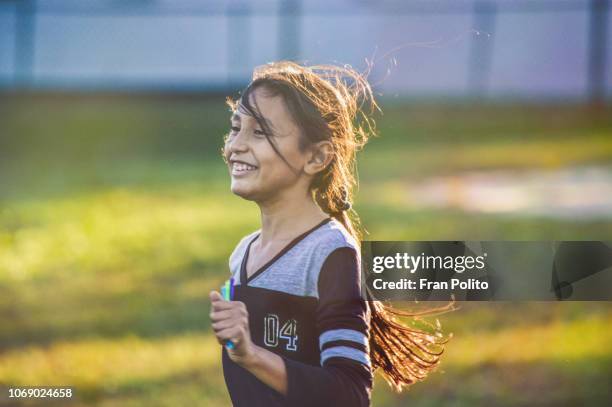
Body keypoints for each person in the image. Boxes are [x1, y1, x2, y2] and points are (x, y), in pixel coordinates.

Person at [209, 61, 448, 407]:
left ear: (317, 156)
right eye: (235, 128)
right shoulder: (242, 254)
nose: (236, 146)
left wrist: (251, 355)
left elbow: (349, 394)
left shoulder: (331, 253)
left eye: (260, 132)